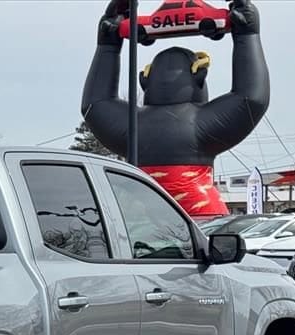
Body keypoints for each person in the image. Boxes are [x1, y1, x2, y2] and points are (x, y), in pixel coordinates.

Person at [81, 0, 269, 217]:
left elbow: (94, 105)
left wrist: (107, 47)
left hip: (137, 220)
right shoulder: (202, 123)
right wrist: (248, 35)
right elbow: (252, 98)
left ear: (145, 80)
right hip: (202, 218)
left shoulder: (132, 127)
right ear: (199, 76)